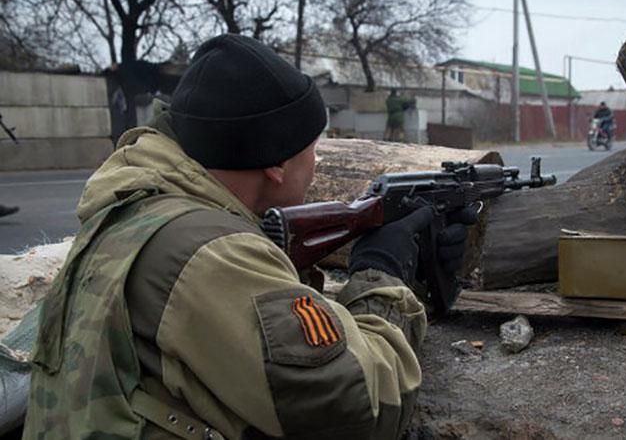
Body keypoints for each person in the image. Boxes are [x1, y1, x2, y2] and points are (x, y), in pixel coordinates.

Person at [24, 34, 473, 439]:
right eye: (314, 147)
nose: (316, 163)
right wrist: (383, 275)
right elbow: (358, 409)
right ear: (276, 164)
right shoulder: (210, 255)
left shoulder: (139, 207)